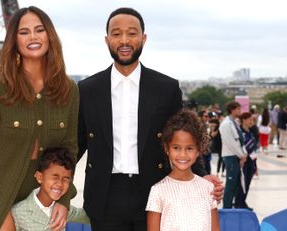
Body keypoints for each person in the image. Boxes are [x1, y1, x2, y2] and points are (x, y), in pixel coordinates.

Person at [77, 7, 223, 230]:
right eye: (116, 34)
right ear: (106, 40)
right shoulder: (88, 89)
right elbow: (75, 144)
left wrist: (203, 174)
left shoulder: (166, 88)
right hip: (104, 196)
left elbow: (183, 135)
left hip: (155, 191)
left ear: (143, 38)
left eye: (132, 33)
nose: (124, 40)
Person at [0, 6, 79, 231]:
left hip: (45, 199)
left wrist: (64, 201)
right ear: (14, 40)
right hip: (1, 196)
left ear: (50, 36)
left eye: (39, 30)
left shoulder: (69, 90)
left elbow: (70, 149)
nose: (33, 37)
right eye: (24, 32)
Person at [146, 110, 220, 231]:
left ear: (199, 150)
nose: (182, 155)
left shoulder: (208, 189)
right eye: (176, 148)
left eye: (189, 148)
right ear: (167, 148)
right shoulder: (158, 191)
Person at [12, 147, 89, 230]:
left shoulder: (65, 211)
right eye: (55, 177)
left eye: (65, 179)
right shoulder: (18, 212)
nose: (60, 184)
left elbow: (93, 218)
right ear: (39, 177)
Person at [219, 101, 247, 209]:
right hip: (230, 156)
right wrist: (242, 155)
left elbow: (240, 140)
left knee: (235, 183)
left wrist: (243, 154)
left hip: (237, 156)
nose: (240, 111)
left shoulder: (234, 122)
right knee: (231, 183)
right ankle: (226, 207)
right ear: (232, 110)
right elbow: (231, 143)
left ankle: (231, 205)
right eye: (238, 109)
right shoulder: (226, 124)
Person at [234, 112, 257, 211]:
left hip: (251, 161)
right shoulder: (240, 132)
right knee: (242, 184)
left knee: (247, 183)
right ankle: (238, 203)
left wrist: (256, 165)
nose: (251, 121)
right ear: (244, 120)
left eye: (252, 119)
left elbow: (254, 149)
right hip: (243, 161)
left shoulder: (251, 132)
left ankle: (243, 202)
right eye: (250, 119)